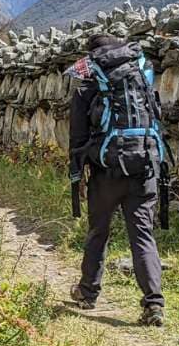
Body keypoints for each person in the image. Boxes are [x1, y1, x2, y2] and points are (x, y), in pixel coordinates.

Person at [65, 33, 167, 327]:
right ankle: (154, 303)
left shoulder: (90, 83)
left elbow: (77, 137)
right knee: (142, 235)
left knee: (99, 231)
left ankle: (87, 292)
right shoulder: (140, 75)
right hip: (145, 165)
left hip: (106, 170)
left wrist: (78, 173)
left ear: (94, 56)